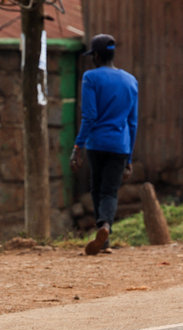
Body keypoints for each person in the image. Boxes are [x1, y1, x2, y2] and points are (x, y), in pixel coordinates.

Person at [70, 34, 139, 255]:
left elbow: (89, 115)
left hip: (97, 143)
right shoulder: (131, 81)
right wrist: (129, 158)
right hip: (121, 145)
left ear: (96, 55)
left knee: (97, 188)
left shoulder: (91, 78)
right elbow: (133, 122)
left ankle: (103, 229)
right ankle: (105, 230)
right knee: (110, 190)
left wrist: (77, 147)